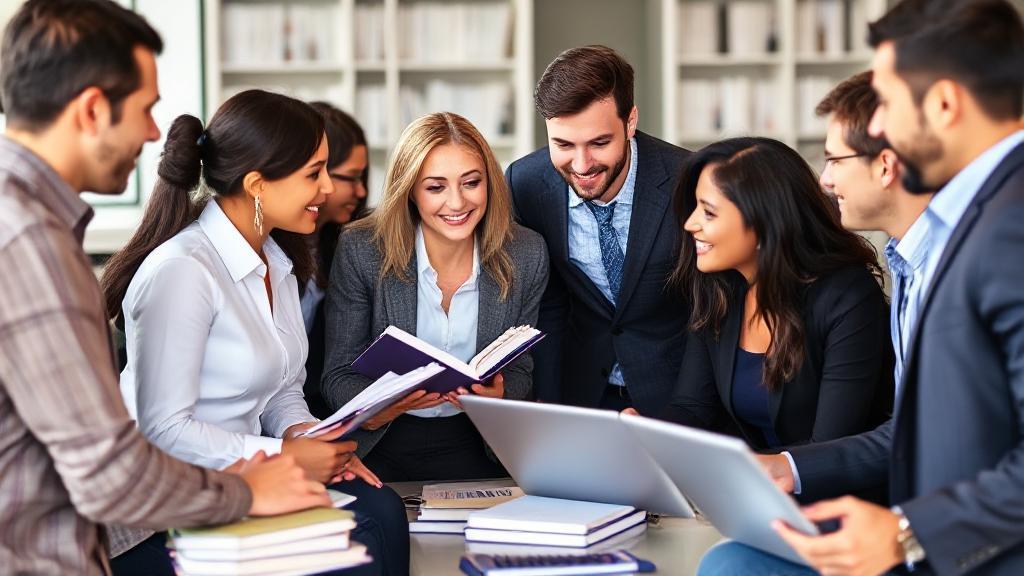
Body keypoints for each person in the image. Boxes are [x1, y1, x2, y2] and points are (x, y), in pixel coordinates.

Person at [0, 2, 330, 574]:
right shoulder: (31, 246)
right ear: (93, 109)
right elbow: (108, 469)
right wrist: (253, 488)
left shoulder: (33, 230)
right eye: (145, 109)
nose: (156, 132)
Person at [701, 1, 1024, 574]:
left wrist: (907, 532)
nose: (879, 129)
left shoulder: (1009, 226)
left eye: (889, 103)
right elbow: (917, 426)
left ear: (945, 104)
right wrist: (789, 467)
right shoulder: (952, 232)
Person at [100, 89, 407, 575]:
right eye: (314, 173)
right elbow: (164, 430)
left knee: (383, 508)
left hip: (247, 473)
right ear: (258, 184)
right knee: (361, 537)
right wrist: (285, 455)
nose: (328, 189)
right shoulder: (183, 271)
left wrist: (312, 438)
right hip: (163, 503)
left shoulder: (278, 263)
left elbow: (282, 390)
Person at [321, 112, 549, 482]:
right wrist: (378, 408)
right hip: (381, 442)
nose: (457, 203)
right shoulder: (362, 248)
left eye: (471, 183)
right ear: (410, 189)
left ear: (489, 182)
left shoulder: (526, 253)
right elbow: (337, 375)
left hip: (479, 443)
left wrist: (502, 397)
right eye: (436, 187)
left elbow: (522, 368)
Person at [649, 137, 892, 457]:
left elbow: (832, 448)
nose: (690, 223)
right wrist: (647, 439)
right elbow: (694, 407)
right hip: (755, 493)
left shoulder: (848, 299)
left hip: (837, 498)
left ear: (765, 224)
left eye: (708, 213)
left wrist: (743, 474)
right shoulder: (720, 287)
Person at [506, 45, 690, 414]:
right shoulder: (524, 183)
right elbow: (546, 304)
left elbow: (710, 309)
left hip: (677, 396)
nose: (582, 164)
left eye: (599, 143)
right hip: (581, 396)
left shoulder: (688, 179)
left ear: (630, 122)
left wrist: (692, 406)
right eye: (563, 144)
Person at [817, 70, 933, 393]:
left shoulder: (952, 264)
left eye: (835, 161)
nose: (824, 181)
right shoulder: (904, 260)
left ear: (885, 167)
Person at [302, 101, 370, 419]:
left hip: (316, 408)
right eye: (351, 178)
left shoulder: (345, 243)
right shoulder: (267, 250)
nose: (361, 191)